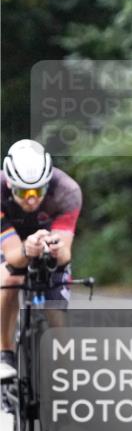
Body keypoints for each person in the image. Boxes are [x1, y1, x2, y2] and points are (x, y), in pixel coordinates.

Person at [0, 140, 82, 389]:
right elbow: (13, 256)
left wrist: (55, 248)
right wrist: (27, 248)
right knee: (10, 280)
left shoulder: (67, 191)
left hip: (49, 238)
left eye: (39, 190)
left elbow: (64, 254)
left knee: (55, 311)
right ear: (9, 184)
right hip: (14, 242)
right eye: (24, 192)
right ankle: (5, 354)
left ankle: (62, 381)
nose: (32, 199)